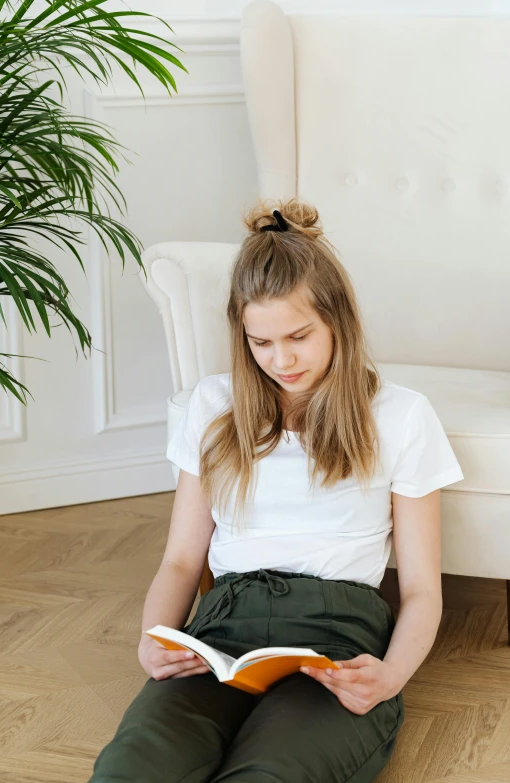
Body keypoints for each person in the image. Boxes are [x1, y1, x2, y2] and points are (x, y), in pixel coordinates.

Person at [88, 198, 464, 783]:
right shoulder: (213, 407)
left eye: (298, 336)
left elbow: (421, 590)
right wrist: (151, 642)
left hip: (337, 636)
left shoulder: (401, 416)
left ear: (338, 319)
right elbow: (182, 558)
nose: (280, 359)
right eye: (260, 343)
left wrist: (389, 677)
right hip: (222, 627)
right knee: (129, 771)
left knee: (270, 775)